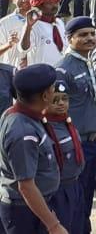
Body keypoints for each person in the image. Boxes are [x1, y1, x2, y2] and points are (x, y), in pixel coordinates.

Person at [0, 64, 66, 234]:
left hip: (33, 205)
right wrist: (54, 225)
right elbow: (26, 186)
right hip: (24, 211)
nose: (54, 91)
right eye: (52, 88)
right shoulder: (23, 132)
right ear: (45, 95)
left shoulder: (24, 114)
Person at [53, 16, 96, 234]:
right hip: (75, 143)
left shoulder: (88, 60)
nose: (90, 38)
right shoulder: (63, 69)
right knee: (74, 201)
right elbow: (57, 111)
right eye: (83, 35)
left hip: (91, 141)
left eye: (92, 34)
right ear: (70, 38)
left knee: (85, 198)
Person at [44, 80, 86, 234]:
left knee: (78, 227)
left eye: (65, 98)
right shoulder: (44, 127)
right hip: (58, 191)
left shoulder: (65, 121)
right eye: (55, 100)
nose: (61, 103)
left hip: (75, 184)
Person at [19, 0, 68, 66]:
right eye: (49, 3)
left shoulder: (59, 22)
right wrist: (28, 27)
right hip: (40, 73)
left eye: (56, 2)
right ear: (39, 5)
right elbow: (24, 48)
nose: (54, 6)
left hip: (59, 72)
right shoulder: (33, 24)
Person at [0, 0, 33, 66]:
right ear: (13, 0)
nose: (24, 0)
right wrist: (8, 44)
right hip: (12, 71)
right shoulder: (4, 23)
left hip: (36, 71)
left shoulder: (40, 20)